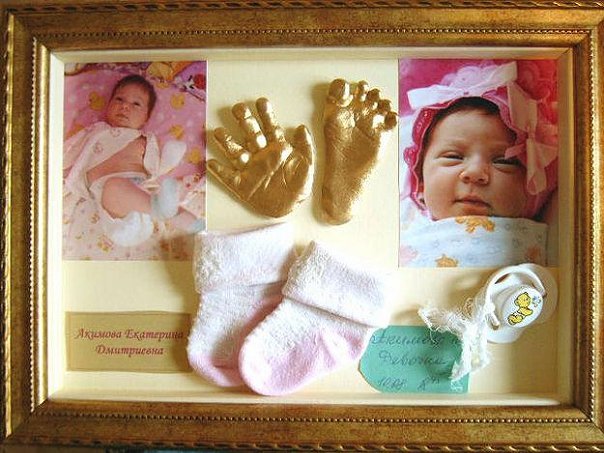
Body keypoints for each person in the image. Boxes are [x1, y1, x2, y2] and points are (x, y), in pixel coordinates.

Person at [399, 60, 558, 267]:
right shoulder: (403, 221)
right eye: (453, 157)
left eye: (503, 161)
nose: (475, 173)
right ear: (420, 182)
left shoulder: (543, 231)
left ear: (532, 191)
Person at [63, 74, 202, 259]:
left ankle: (197, 226)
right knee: (115, 186)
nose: (125, 106)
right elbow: (71, 149)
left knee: (139, 194)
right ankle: (163, 210)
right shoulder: (97, 130)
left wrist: (170, 159)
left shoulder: (144, 139)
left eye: (136, 104)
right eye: (119, 99)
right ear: (109, 104)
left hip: (142, 195)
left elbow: (155, 169)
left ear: (146, 117)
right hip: (118, 218)